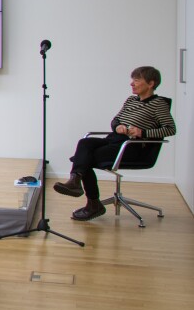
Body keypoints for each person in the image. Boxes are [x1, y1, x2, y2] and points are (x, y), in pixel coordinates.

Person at [53, 66, 176, 221]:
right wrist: (117, 126)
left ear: (151, 83)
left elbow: (170, 129)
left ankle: (91, 202)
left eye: (136, 80)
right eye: (132, 80)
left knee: (85, 158)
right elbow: (115, 120)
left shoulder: (158, 104)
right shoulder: (131, 100)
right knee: (85, 143)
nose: (132, 83)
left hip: (131, 147)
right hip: (114, 139)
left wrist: (142, 132)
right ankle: (75, 181)